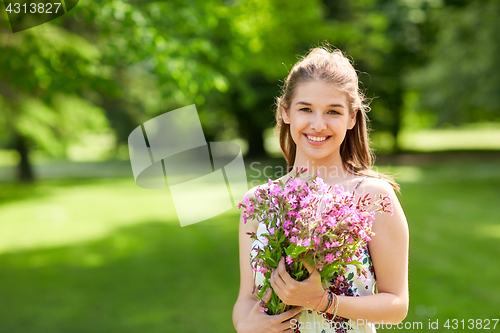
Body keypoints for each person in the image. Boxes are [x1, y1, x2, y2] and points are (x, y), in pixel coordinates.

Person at [232, 43, 409, 333]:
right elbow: (246, 298)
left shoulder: (372, 196)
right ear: (286, 112)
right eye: (306, 109)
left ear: (352, 118)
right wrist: (245, 325)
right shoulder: (258, 201)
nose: (318, 124)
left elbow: (396, 305)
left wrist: (324, 301)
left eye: (333, 112)